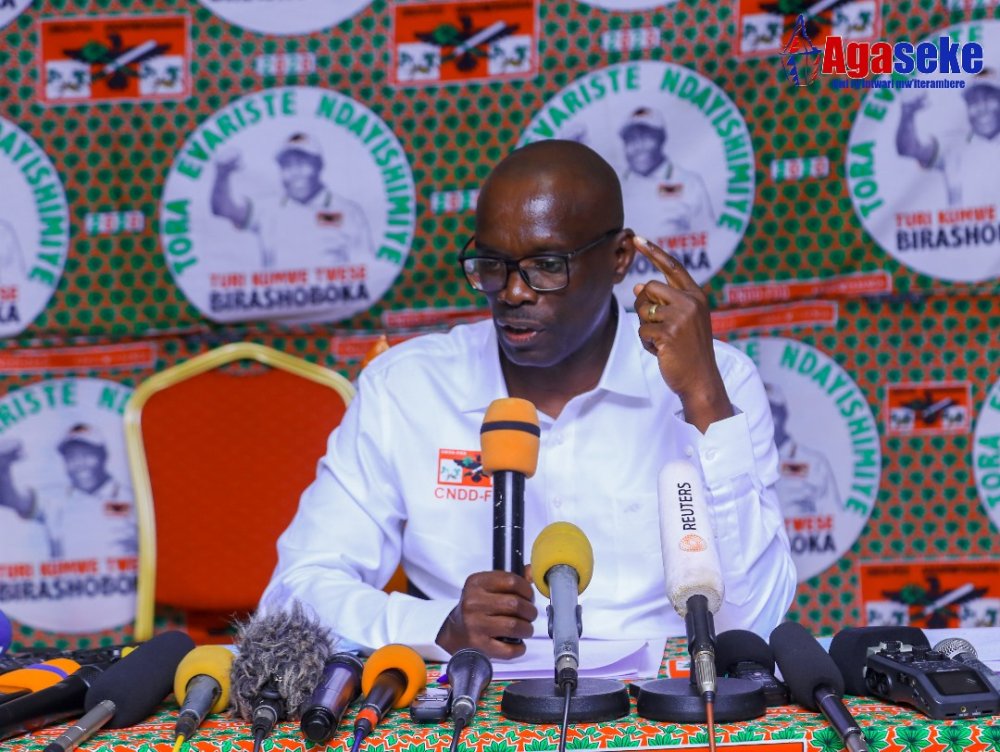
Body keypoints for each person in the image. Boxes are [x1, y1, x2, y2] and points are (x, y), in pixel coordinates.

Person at [260, 140, 795, 660]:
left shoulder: (718, 380)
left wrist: (704, 401)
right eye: (492, 264)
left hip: (668, 698)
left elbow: (755, 620)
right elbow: (293, 595)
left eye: (546, 265)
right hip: (477, 702)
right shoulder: (407, 389)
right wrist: (438, 627)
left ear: (619, 258)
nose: (513, 291)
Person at [210, 132, 375, 269]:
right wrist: (222, 173)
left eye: (302, 164)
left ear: (319, 166)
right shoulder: (267, 208)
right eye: (287, 166)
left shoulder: (349, 212)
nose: (295, 173)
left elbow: (366, 271)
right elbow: (223, 209)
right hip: (278, 298)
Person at [0, 424, 136, 560]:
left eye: (87, 455)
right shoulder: (54, 500)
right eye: (71, 457)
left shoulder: (132, 499)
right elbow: (11, 499)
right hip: (67, 574)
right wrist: (3, 466)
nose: (79, 464)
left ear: (103, 456)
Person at [895, 68, 1000, 208]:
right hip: (964, 222)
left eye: (989, 98)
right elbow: (909, 149)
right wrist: (908, 113)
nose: (981, 108)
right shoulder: (955, 146)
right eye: (974, 102)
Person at [618, 107, 716, 237]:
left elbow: (709, 237)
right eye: (631, 139)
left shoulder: (689, 184)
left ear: (661, 139)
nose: (638, 146)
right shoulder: (615, 184)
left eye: (645, 137)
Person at [765, 383, 842, 519]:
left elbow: (833, 515)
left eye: (771, 412)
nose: (764, 420)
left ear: (783, 415)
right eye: (759, 413)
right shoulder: (742, 462)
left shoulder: (813, 462)